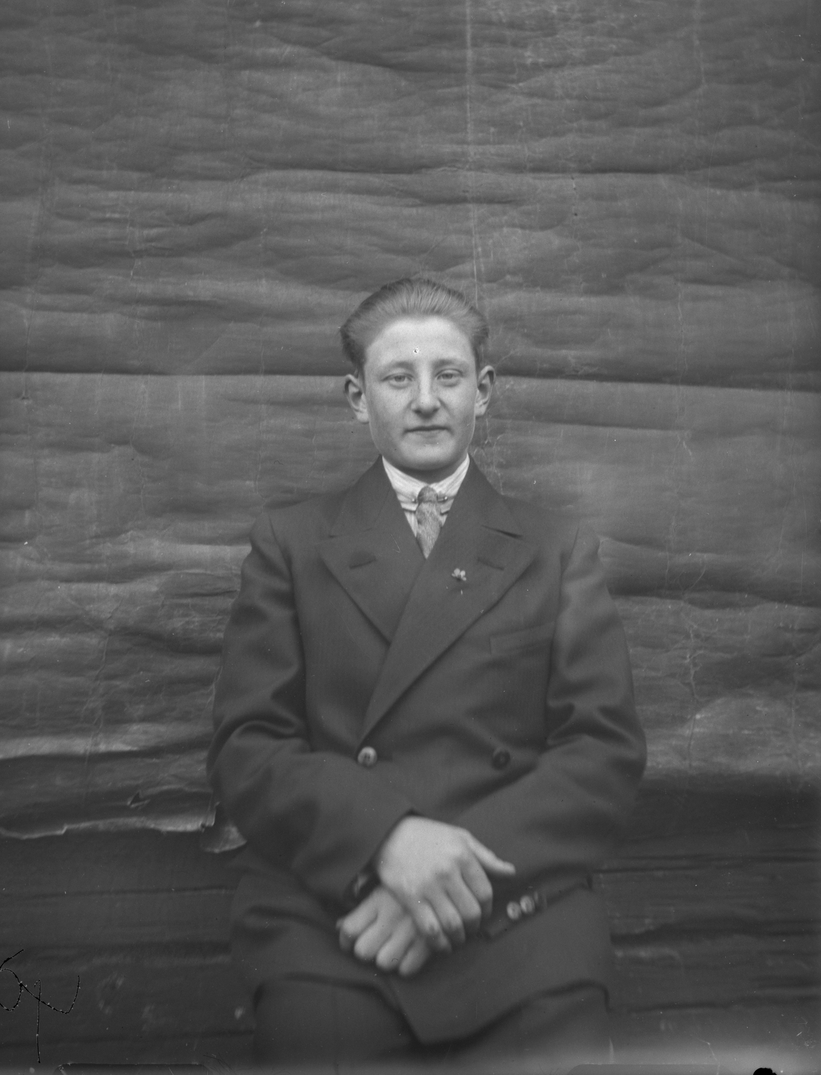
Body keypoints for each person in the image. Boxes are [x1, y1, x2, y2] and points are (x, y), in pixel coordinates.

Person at [208, 278, 646, 1068]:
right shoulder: (291, 544)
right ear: (356, 397)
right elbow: (249, 745)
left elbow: (602, 753)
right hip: (338, 908)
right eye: (396, 377)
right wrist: (385, 841)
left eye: (447, 375)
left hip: (519, 903)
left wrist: (451, 871)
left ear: (483, 391)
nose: (424, 400)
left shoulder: (555, 548)